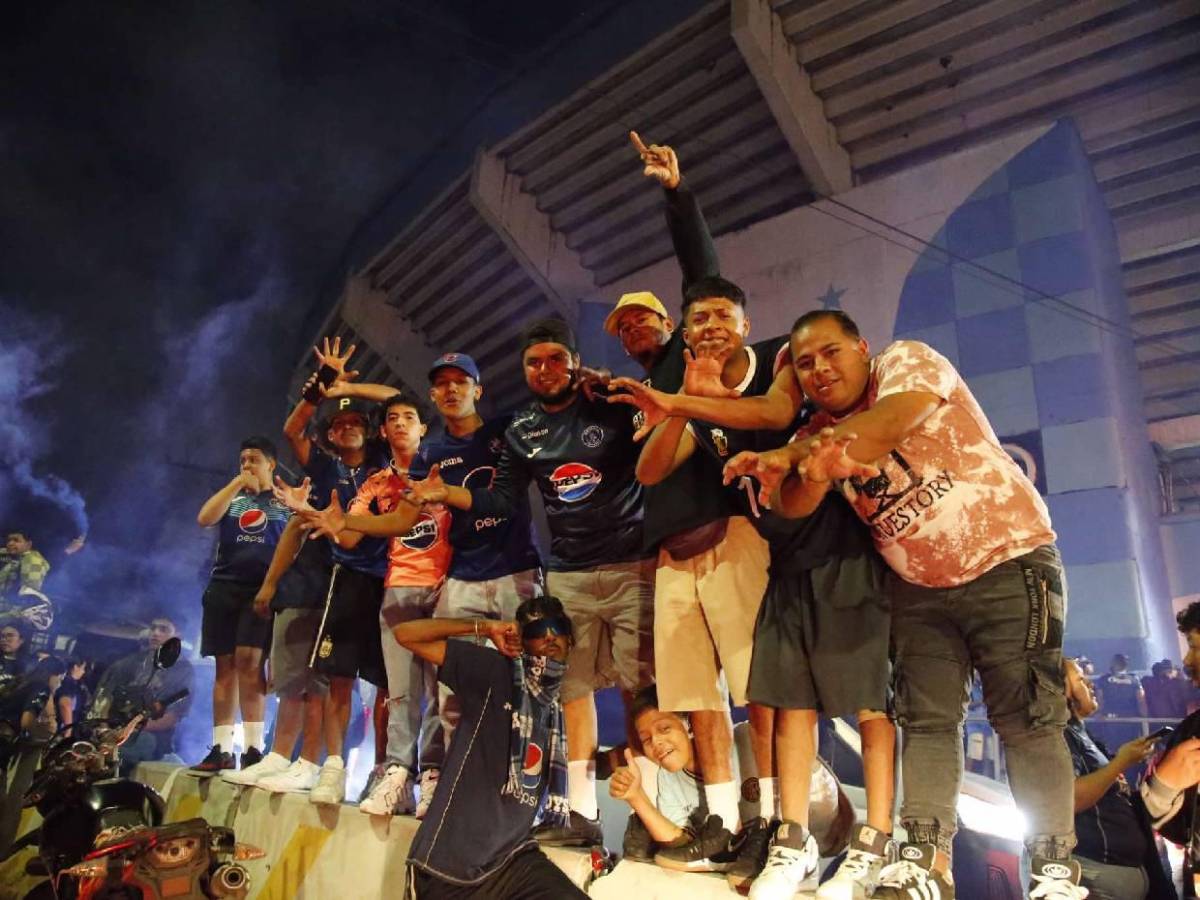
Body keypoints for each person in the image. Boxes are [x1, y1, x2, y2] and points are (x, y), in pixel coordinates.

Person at [609, 135, 895, 899]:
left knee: (763, 694)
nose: (705, 326)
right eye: (693, 319)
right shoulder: (671, 372)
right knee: (699, 702)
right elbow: (648, 469)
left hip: (742, 542)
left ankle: (775, 820)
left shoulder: (775, 362)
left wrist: (677, 192)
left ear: (743, 322)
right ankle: (721, 821)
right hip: (673, 556)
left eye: (718, 317)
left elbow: (702, 266)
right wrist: (681, 396)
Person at [723, 311, 1085, 897]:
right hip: (917, 589)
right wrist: (807, 470)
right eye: (806, 363)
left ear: (862, 348)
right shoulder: (814, 430)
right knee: (928, 723)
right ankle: (923, 861)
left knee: (1027, 721)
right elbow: (791, 506)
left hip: (1007, 560)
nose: (819, 369)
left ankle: (1053, 874)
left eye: (831, 353)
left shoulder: (905, 362)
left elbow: (888, 423)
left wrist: (797, 456)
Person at [410, 317, 655, 848]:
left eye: (554, 359)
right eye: (533, 362)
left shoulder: (609, 403)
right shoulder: (521, 428)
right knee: (572, 692)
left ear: (573, 360)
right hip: (567, 573)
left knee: (641, 692)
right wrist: (447, 495)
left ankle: (647, 813)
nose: (544, 370)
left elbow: (658, 430)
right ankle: (581, 814)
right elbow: (499, 498)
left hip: (631, 564)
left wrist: (607, 379)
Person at [301, 353, 543, 746]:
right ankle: (445, 778)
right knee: (453, 695)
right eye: (442, 383)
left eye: (460, 381)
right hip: (462, 576)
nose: (451, 389)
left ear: (477, 390)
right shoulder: (429, 454)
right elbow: (401, 522)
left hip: (518, 569)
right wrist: (346, 521)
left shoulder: (508, 429)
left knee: (528, 681)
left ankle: (528, 784)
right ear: (433, 394)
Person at [233, 337, 392, 804]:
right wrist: (321, 386)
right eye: (337, 424)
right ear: (329, 436)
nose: (346, 428)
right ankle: (297, 759)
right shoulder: (321, 467)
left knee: (353, 681)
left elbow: (397, 402)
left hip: (371, 578)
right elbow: (293, 426)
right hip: (325, 577)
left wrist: (347, 389)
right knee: (308, 678)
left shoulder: (384, 462)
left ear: (369, 429)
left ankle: (341, 766)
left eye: (353, 422)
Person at [394, 595, 587, 899]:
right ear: (521, 642)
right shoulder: (494, 672)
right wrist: (484, 628)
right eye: (537, 631)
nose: (549, 637)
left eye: (557, 627)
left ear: (570, 639)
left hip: (511, 860)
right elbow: (405, 633)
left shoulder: (556, 710)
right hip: (449, 867)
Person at [321, 388, 450, 818]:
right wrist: (325, 519)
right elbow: (351, 536)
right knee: (400, 691)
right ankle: (399, 773)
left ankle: (432, 774)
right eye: (392, 417)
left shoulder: (445, 467)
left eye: (409, 416)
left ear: (424, 426)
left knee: (437, 689)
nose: (399, 423)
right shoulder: (377, 482)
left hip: (445, 588)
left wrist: (347, 388)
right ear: (383, 429)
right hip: (397, 588)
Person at [611, 685, 853, 873]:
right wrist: (637, 798)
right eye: (646, 738)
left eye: (664, 729)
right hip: (773, 858)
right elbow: (680, 843)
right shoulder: (668, 779)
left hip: (826, 827)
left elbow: (821, 793)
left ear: (690, 724)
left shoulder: (747, 739)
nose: (656, 743)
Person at [192, 436, 290, 773]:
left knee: (251, 663)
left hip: (261, 591)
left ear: (271, 464)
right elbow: (205, 518)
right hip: (224, 587)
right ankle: (221, 747)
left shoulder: (282, 500)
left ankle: (252, 748)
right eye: (243, 460)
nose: (248, 465)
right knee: (226, 665)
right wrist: (236, 482)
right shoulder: (233, 498)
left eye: (254, 460)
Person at [1062, 657, 1174, 899]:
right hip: (1094, 879)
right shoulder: (1060, 736)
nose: (1090, 685)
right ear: (1061, 689)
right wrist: (1121, 761)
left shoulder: (1082, 733)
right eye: (1081, 680)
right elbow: (1072, 798)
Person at [1140, 601, 1200, 891]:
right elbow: (1173, 827)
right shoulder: (1191, 732)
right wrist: (1164, 786)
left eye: (1196, 647)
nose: (1187, 661)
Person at [92, 614, 194, 775]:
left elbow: (172, 717)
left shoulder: (183, 670)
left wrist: (129, 731)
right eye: (153, 628)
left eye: (163, 629)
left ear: (178, 635)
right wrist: (104, 730)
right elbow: (106, 697)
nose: (155, 633)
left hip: (152, 738)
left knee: (140, 743)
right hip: (115, 732)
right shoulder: (129, 663)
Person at [1094, 653, 1148, 751]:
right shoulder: (1134, 679)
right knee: (1130, 749)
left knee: (1113, 750)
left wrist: (1099, 712)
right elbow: (1141, 700)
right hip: (1130, 720)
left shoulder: (1104, 679)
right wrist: (1144, 717)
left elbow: (1099, 699)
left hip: (1111, 720)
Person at [0, 532, 50, 601]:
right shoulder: (18, 558)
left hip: (16, 607)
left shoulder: (32, 559)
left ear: (28, 544)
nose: (10, 543)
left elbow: (30, 591)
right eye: (9, 540)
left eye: (16, 540)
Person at [54, 656, 91, 736]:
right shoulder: (69, 682)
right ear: (75, 667)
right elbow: (65, 704)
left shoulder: (73, 682)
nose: (83, 672)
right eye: (82, 668)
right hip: (63, 729)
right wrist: (68, 730)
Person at [0, 622, 32, 691]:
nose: (4, 639)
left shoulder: (29, 665)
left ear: (21, 640)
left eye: (10, 635)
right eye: (2, 636)